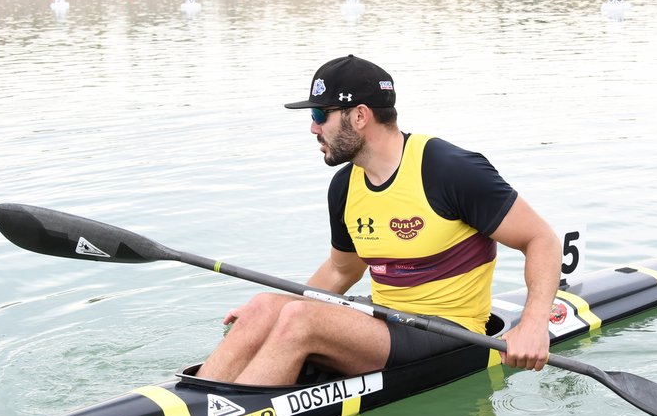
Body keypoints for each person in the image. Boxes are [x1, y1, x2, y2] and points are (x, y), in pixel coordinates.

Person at [196, 55, 561, 385]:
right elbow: (341, 271)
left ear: (359, 116)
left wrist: (533, 324)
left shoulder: (447, 169)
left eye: (320, 115)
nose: (312, 128)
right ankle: (192, 403)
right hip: (386, 320)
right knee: (263, 306)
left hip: (454, 332)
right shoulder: (344, 186)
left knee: (299, 320)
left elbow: (540, 239)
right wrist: (266, 317)